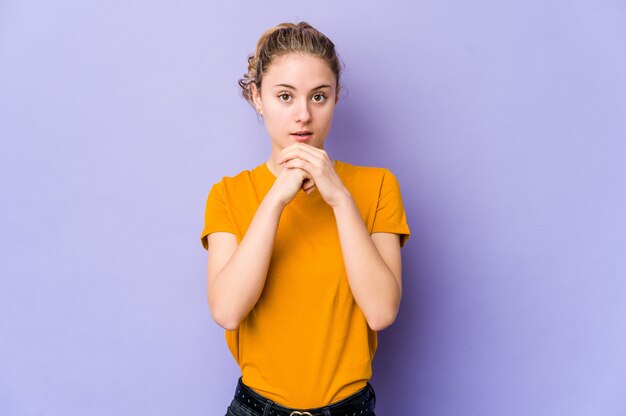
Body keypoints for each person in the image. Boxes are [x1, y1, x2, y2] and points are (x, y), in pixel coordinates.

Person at [200, 21, 410, 416]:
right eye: (285, 96)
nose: (303, 115)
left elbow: (382, 312)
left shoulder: (377, 187)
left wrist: (341, 200)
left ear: (335, 99)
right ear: (256, 97)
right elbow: (227, 310)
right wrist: (276, 199)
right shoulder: (228, 194)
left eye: (319, 96)